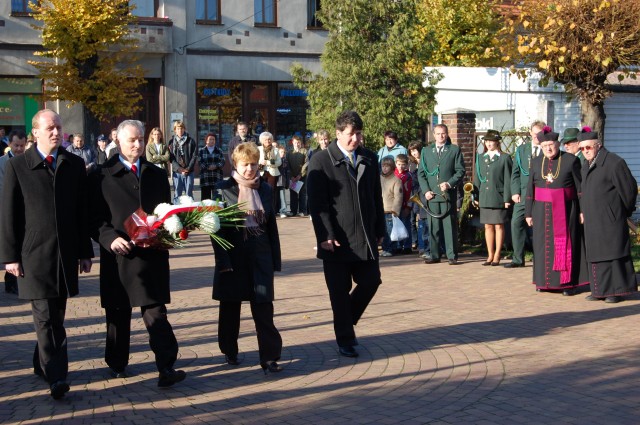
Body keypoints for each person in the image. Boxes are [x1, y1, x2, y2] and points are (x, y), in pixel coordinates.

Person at [0, 109, 93, 400]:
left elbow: (81, 212)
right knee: (45, 317)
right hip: (33, 256)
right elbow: (8, 214)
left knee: (57, 314)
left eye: (59, 127)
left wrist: (84, 252)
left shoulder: (74, 164)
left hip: (64, 254)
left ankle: (40, 362)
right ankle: (57, 377)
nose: (56, 132)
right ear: (35, 132)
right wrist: (10, 257)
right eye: (50, 128)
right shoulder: (18, 166)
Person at [89, 119, 186, 387]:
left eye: (141, 139)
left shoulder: (156, 173)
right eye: (132, 140)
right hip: (120, 255)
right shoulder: (102, 174)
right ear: (118, 141)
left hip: (151, 254)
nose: (138, 144)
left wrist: (171, 231)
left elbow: (166, 211)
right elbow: (94, 218)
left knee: (155, 311)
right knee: (118, 313)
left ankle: (166, 367)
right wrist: (109, 239)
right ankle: (117, 362)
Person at [307, 110, 385, 358]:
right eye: (351, 134)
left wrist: (380, 229)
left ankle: (344, 319)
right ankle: (346, 339)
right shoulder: (321, 161)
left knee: (371, 281)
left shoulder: (369, 158)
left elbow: (376, 198)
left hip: (364, 236)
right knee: (339, 292)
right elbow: (317, 204)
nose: (356, 139)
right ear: (338, 133)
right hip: (336, 240)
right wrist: (325, 235)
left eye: (359, 134)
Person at [211, 142, 283, 374]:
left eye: (253, 164)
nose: (250, 169)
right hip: (233, 254)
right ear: (235, 164)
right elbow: (215, 229)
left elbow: (271, 225)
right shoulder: (223, 188)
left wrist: (274, 258)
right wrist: (222, 261)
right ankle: (229, 350)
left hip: (260, 254)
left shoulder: (265, 189)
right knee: (231, 308)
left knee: (263, 307)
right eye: (245, 164)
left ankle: (270, 357)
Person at [524, 126, 588, 295]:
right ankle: (542, 282)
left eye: (551, 145)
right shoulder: (536, 162)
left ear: (558, 144)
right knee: (542, 246)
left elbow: (580, 188)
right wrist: (528, 213)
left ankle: (566, 284)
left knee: (565, 244)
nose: (548, 149)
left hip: (566, 210)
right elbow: (530, 189)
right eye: (545, 146)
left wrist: (582, 210)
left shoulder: (570, 160)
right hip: (540, 210)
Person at [578, 128, 638, 303]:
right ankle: (599, 290)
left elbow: (629, 190)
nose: (585, 151)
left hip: (611, 218)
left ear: (598, 145)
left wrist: (622, 211)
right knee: (596, 254)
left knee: (612, 254)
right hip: (592, 218)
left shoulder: (614, 163)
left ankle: (615, 291)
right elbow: (583, 192)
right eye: (581, 149)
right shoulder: (586, 165)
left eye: (588, 147)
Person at [418, 124, 465, 265]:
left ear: (447, 134)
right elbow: (421, 173)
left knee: (449, 226)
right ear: (433, 135)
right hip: (431, 195)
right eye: (438, 134)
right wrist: (426, 190)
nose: (441, 136)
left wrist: (449, 183)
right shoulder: (426, 151)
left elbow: (460, 171)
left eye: (443, 133)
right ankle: (434, 254)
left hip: (447, 194)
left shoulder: (454, 150)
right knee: (434, 226)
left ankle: (451, 255)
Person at [505, 120, 545, 268]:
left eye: (539, 135)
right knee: (516, 223)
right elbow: (515, 173)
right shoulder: (522, 149)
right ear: (530, 133)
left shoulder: (547, 148)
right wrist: (514, 192)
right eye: (534, 134)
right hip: (522, 194)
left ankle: (540, 258)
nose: (537, 138)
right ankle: (518, 258)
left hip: (540, 193)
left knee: (540, 226)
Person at [473, 130, 512, 266]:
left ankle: (497, 254)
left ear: (497, 142)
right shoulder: (481, 158)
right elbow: (477, 178)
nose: (489, 144)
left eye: (492, 141)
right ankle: (490, 254)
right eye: (487, 141)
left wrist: (507, 199)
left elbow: (508, 179)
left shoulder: (504, 158)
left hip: (499, 196)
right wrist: (475, 195)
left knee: (498, 226)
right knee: (488, 226)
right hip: (485, 196)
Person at [0, 130, 27, 295]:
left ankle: (15, 279)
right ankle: (10, 280)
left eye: (22, 146)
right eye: (16, 145)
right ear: (9, 144)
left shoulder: (27, 161)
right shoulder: (2, 163)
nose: (19, 149)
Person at [408, 140, 430, 259]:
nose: (414, 153)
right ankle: (422, 247)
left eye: (415, 150)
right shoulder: (411, 165)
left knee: (425, 223)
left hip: (424, 194)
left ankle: (427, 248)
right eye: (412, 151)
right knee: (420, 223)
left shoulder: (425, 161)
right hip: (416, 195)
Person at [380, 156, 403, 257]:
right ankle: (385, 248)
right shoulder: (379, 178)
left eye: (387, 166)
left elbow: (398, 197)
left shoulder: (396, 180)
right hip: (381, 210)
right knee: (383, 231)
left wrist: (395, 210)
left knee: (391, 231)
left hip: (390, 210)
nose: (384, 168)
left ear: (392, 167)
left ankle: (391, 249)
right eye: (383, 166)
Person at [169, 120, 197, 203]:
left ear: (184, 129)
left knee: (189, 194)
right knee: (177, 193)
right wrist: (179, 169)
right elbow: (171, 158)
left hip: (189, 171)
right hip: (177, 172)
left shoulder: (191, 141)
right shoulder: (171, 142)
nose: (180, 130)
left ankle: (190, 211)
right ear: (175, 130)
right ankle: (177, 212)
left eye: (181, 128)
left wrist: (188, 169)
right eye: (178, 129)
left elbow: (194, 156)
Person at [258, 132, 282, 211]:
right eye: (265, 140)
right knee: (261, 191)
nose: (268, 141)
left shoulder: (275, 150)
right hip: (261, 172)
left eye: (269, 139)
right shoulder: (258, 149)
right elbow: (255, 160)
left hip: (272, 173)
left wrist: (268, 163)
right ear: (262, 141)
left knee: (272, 191)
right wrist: (260, 162)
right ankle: (262, 209)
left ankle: (272, 210)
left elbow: (279, 162)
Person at [394, 154, 413, 254]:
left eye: (403, 164)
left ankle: (407, 246)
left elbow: (410, 192)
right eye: (399, 164)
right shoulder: (393, 174)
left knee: (406, 224)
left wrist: (409, 206)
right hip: (395, 205)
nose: (401, 166)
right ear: (395, 164)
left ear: (406, 165)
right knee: (396, 225)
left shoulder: (408, 176)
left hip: (405, 204)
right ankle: (398, 245)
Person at [198, 133, 225, 200]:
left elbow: (222, 161)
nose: (212, 141)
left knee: (217, 199)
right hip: (205, 178)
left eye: (213, 139)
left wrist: (215, 166)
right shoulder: (201, 151)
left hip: (216, 177)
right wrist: (208, 167)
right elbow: (199, 162)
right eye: (210, 139)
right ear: (206, 141)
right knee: (205, 200)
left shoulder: (219, 150)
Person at [286, 135, 308, 216]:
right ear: (292, 142)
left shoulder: (304, 151)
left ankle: (303, 211)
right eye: (295, 142)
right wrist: (292, 176)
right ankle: (293, 211)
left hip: (302, 176)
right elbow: (287, 165)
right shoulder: (289, 153)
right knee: (293, 194)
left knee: (302, 194)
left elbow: (306, 163)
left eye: (298, 142)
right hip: (292, 177)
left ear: (300, 143)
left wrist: (300, 175)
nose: (297, 144)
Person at [276, 145, 292, 218]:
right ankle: (282, 210)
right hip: (279, 181)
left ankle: (283, 210)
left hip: (283, 181)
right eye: (281, 152)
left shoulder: (285, 160)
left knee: (283, 196)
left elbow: (287, 172)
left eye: (284, 152)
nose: (283, 153)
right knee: (281, 196)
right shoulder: (278, 161)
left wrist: (288, 181)